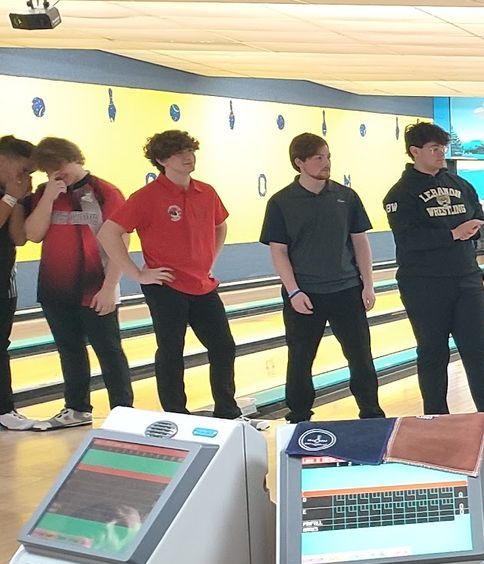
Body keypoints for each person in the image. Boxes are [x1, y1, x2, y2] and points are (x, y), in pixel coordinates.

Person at [383, 121, 484, 442]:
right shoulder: (400, 194)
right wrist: (452, 233)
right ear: (415, 152)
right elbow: (408, 240)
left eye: (442, 148)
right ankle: (435, 420)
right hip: (424, 284)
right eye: (434, 149)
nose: (440, 154)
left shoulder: (461, 185)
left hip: (467, 279)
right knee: (433, 353)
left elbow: (483, 221)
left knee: (477, 352)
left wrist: (478, 227)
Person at [98, 129, 242, 420]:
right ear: (162, 160)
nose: (188, 157)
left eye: (190, 151)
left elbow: (220, 225)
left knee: (224, 347)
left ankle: (227, 410)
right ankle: (175, 413)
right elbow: (108, 233)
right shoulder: (147, 197)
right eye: (180, 153)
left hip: (203, 285)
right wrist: (137, 274)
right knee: (171, 351)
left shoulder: (206, 191)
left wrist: (210, 259)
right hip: (166, 286)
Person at [261, 132, 384, 424]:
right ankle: (299, 416)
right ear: (299, 162)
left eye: (328, 156)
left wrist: (368, 283)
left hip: (347, 290)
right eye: (319, 157)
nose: (326, 162)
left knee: (361, 358)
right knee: (301, 360)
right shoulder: (281, 202)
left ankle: (371, 414)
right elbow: (279, 251)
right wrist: (293, 291)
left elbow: (360, 242)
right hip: (305, 293)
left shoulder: (346, 196)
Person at [22, 137, 133, 427]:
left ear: (76, 158)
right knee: (69, 350)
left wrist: (110, 288)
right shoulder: (45, 192)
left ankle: (124, 412)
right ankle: (77, 408)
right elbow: (32, 234)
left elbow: (122, 240)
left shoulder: (105, 192)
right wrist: (47, 197)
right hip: (55, 288)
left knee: (109, 351)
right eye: (49, 171)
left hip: (97, 288)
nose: (58, 174)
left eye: (61, 167)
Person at [0, 136, 48, 431]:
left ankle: (5, 409)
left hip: (4, 282)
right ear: (3, 160)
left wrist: (17, 199)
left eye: (31, 173)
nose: (26, 178)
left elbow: (18, 237)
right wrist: (9, 197)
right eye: (24, 170)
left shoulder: (16, 192)